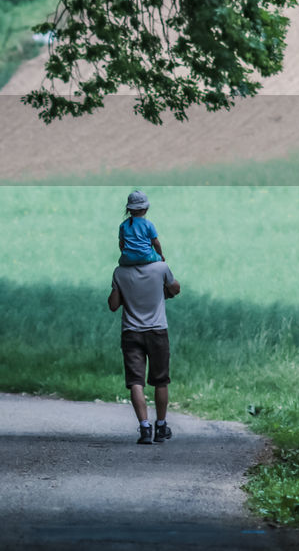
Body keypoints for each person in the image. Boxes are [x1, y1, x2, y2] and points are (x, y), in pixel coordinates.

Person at [108, 242, 180, 444]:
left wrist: (119, 288)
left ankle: (145, 428)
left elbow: (113, 305)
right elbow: (175, 289)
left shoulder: (120, 272)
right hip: (157, 332)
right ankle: (161, 425)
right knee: (160, 380)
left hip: (131, 333)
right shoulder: (160, 268)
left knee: (136, 382)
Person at [118, 190, 164, 266]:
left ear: (129, 210)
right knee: (160, 261)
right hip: (146, 257)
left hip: (127, 259)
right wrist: (160, 255)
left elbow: (121, 244)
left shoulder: (123, 225)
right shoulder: (148, 224)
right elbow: (156, 243)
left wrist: (128, 256)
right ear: (145, 209)